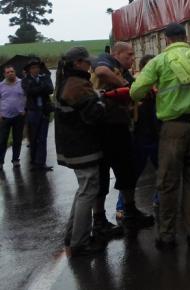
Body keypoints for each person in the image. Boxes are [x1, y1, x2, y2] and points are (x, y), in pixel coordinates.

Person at [130, 23, 190, 249]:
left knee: (168, 183)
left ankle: (167, 236)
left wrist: (155, 89)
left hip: (174, 129)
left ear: (167, 39)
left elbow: (135, 91)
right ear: (186, 37)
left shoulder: (159, 61)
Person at [92, 42, 153, 236]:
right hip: (102, 129)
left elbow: (136, 91)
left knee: (127, 171)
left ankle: (130, 211)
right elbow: (101, 72)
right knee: (101, 175)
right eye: (129, 54)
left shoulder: (124, 71)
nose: (132, 58)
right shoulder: (106, 61)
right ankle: (99, 220)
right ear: (116, 54)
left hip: (120, 128)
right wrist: (126, 86)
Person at [54, 47, 107, 257]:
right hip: (82, 146)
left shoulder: (65, 81)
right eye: (87, 62)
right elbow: (94, 114)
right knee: (88, 192)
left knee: (83, 190)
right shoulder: (76, 84)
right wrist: (101, 100)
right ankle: (80, 243)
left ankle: (72, 236)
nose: (90, 65)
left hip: (73, 147)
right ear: (77, 63)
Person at [115, 55, 160, 221]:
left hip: (155, 136)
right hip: (140, 137)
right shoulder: (135, 86)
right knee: (133, 174)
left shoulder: (158, 87)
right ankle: (122, 207)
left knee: (163, 170)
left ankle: (159, 200)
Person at [22, 58, 54, 171]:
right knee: (33, 138)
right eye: (33, 68)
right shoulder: (25, 80)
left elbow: (50, 89)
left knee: (42, 138)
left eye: (37, 67)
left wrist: (38, 88)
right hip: (33, 112)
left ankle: (41, 163)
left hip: (44, 111)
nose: (35, 69)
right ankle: (34, 162)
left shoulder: (44, 77)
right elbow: (30, 92)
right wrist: (42, 87)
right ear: (29, 70)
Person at [0, 66, 26, 168]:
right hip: (5, 117)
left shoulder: (22, 83)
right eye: (8, 72)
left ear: (15, 72)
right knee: (2, 140)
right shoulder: (1, 85)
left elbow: (27, 96)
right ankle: (1, 162)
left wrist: (24, 110)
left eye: (12, 71)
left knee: (17, 139)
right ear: (4, 74)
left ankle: (15, 160)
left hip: (19, 116)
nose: (10, 73)